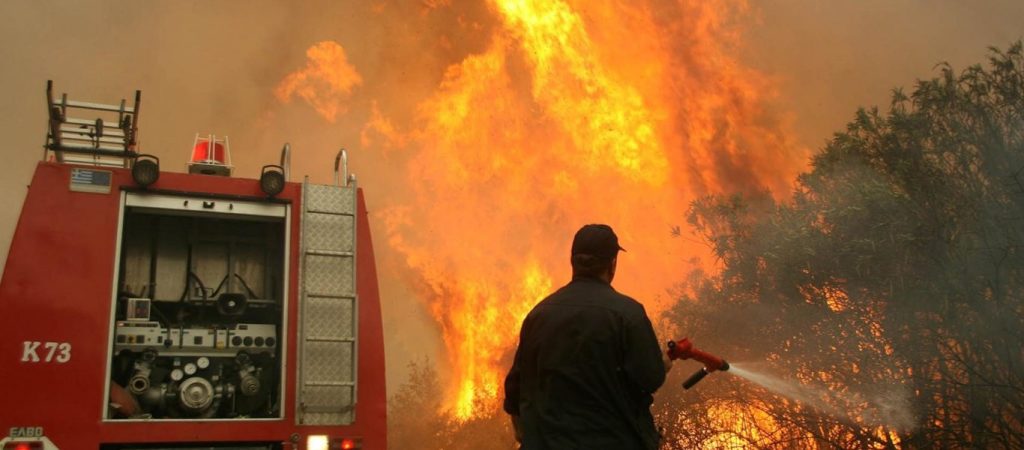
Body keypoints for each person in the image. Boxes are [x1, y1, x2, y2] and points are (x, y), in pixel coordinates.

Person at [503, 224, 671, 450]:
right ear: (612, 264)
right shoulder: (628, 314)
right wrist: (664, 364)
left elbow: (515, 389)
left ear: (573, 262)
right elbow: (650, 378)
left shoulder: (539, 314)